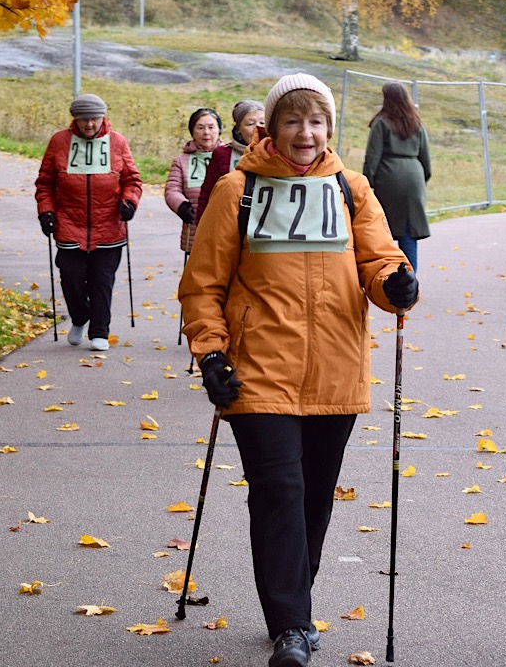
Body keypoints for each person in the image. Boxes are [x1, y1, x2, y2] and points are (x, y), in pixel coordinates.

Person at [179, 73, 419, 667]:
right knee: (278, 490)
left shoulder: (351, 188)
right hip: (257, 369)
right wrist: (209, 352)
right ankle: (291, 624)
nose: (305, 132)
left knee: (313, 495)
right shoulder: (238, 190)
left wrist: (395, 286)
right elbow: (202, 283)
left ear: (329, 127)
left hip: (336, 367)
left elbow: (379, 260)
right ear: (271, 126)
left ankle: (294, 596)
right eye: (292, 120)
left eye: (315, 121)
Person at [35, 93, 142, 352]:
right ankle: (80, 317)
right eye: (84, 120)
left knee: (101, 279)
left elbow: (132, 180)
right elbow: (45, 182)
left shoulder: (117, 142)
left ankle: (99, 331)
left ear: (103, 118)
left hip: (109, 224)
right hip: (69, 221)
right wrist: (46, 211)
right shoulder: (60, 142)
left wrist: (129, 201)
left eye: (94, 119)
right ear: (75, 120)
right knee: (70, 276)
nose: (90, 125)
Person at [362, 82, 431, 272]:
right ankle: (410, 281)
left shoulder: (381, 122)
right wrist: (419, 182)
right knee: (408, 234)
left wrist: (366, 184)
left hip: (388, 179)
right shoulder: (417, 123)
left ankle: (388, 279)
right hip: (414, 179)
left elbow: (372, 157)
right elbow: (426, 161)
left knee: (382, 231)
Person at [194, 99, 265, 225]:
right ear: (238, 129)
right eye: (250, 124)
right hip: (228, 224)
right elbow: (207, 195)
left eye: (262, 122)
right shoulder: (222, 154)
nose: (258, 128)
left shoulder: (277, 154)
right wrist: (201, 228)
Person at [164, 108, 224, 253]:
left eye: (211, 127)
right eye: (200, 127)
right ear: (193, 132)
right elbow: (172, 189)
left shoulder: (229, 157)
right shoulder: (181, 160)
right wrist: (181, 205)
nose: (206, 133)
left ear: (219, 130)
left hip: (226, 228)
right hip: (195, 229)